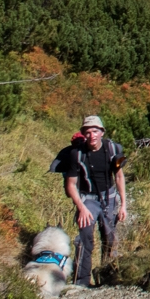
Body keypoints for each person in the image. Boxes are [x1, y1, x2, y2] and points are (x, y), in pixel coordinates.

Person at [64, 115, 127, 287]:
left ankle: (108, 278)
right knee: (85, 237)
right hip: (87, 199)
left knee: (110, 238)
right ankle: (81, 282)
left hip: (109, 198)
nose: (92, 135)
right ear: (84, 134)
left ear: (102, 132)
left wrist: (123, 205)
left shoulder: (114, 149)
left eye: (95, 131)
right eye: (88, 132)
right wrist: (81, 207)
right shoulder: (76, 155)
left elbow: (119, 177)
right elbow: (71, 185)